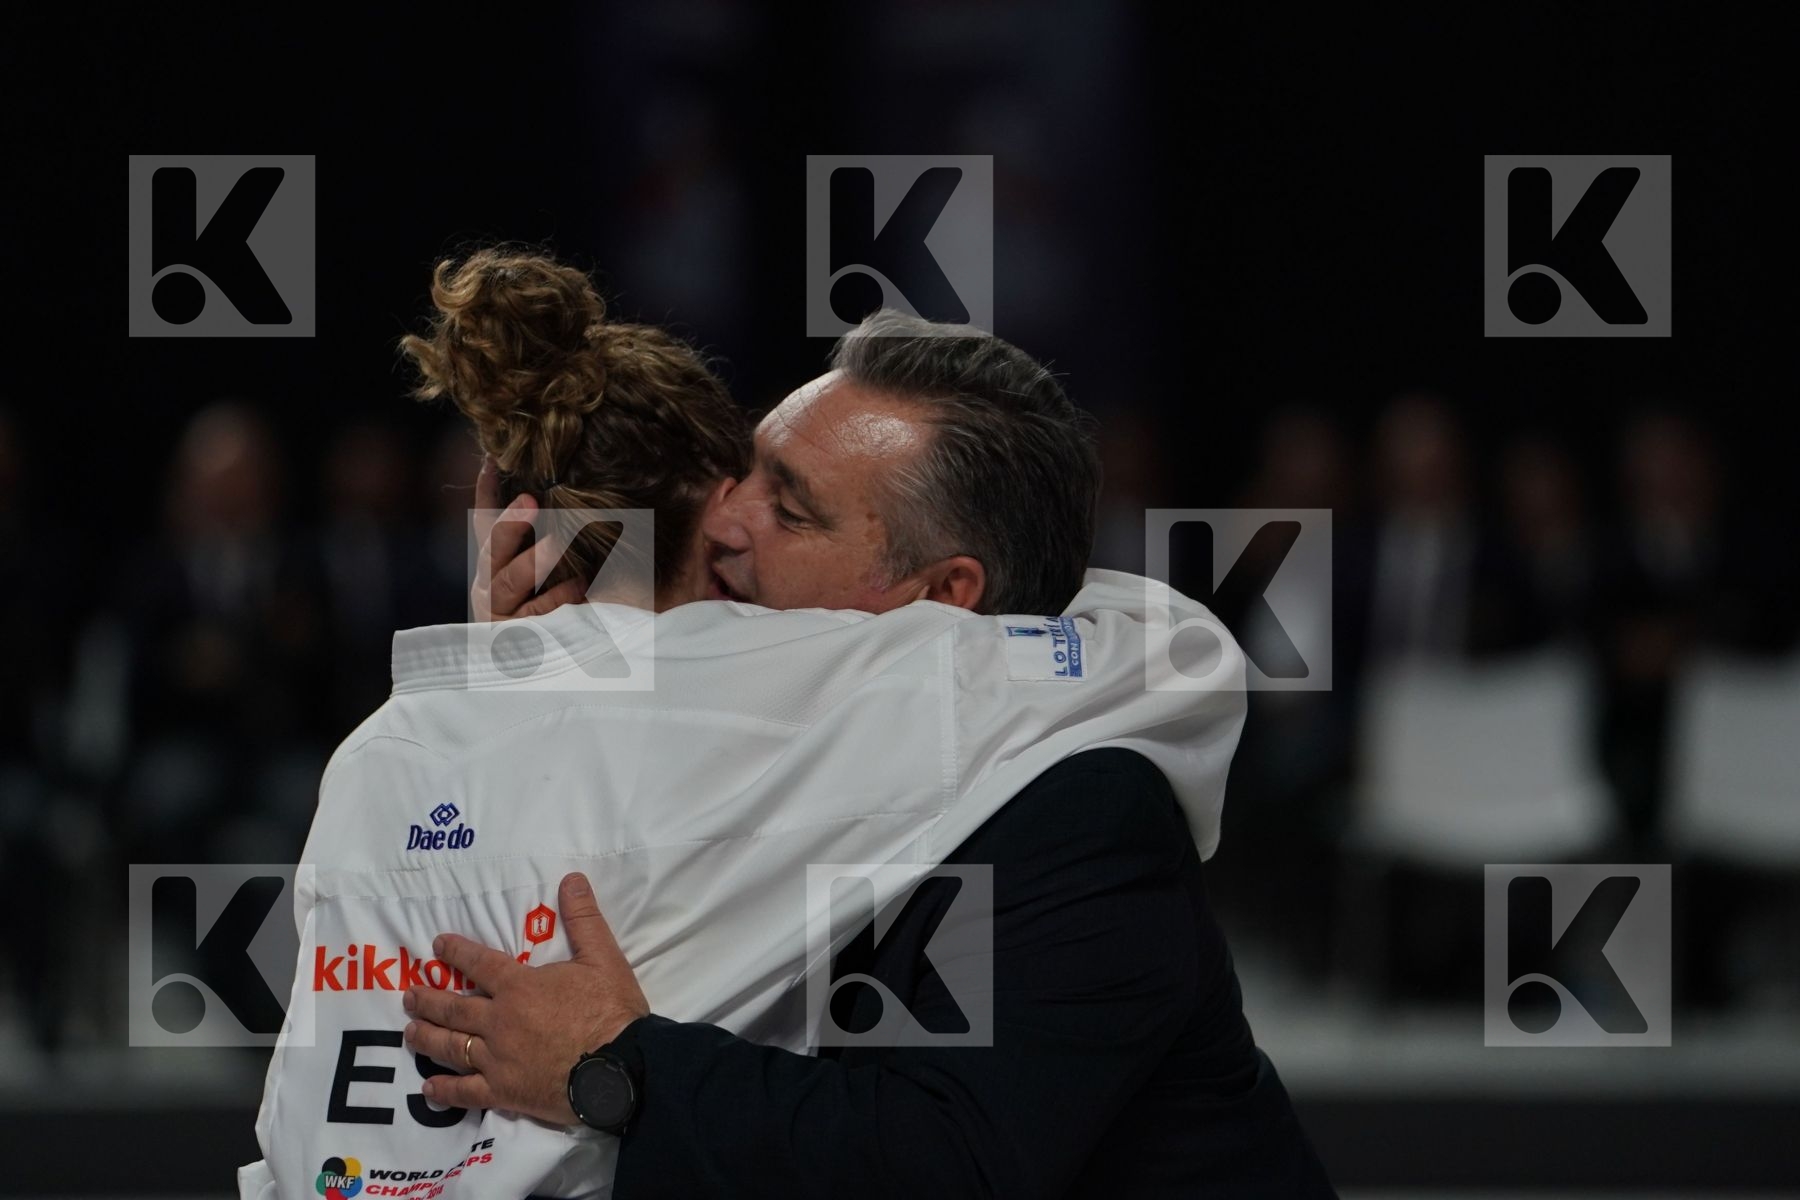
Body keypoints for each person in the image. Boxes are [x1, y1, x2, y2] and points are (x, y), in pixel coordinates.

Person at [238, 249, 1314, 1197]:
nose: (724, 515)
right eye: (745, 469)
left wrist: (613, 1066)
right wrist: (528, 690)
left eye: (789, 507)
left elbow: (947, 1164)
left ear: (944, 606)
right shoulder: (757, 725)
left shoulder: (1072, 800)